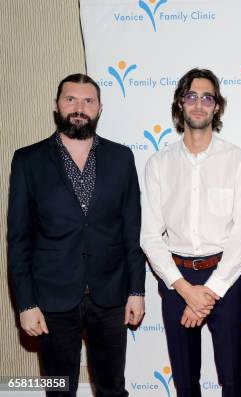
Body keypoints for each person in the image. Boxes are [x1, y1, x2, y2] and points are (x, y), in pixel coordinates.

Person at [7, 73, 145, 396]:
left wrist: (136, 289)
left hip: (110, 297)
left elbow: (132, 230)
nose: (79, 107)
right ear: (57, 106)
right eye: (71, 99)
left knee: (112, 388)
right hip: (51, 299)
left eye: (88, 101)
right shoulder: (28, 160)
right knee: (59, 390)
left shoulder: (121, 158)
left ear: (99, 109)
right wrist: (25, 304)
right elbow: (19, 241)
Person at [140, 68, 241, 397]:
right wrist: (185, 289)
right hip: (176, 281)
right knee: (185, 381)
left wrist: (209, 291)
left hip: (227, 281)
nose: (200, 104)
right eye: (192, 96)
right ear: (180, 103)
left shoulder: (238, 161)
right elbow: (149, 236)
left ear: (217, 106)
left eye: (208, 98)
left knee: (233, 380)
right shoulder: (159, 164)